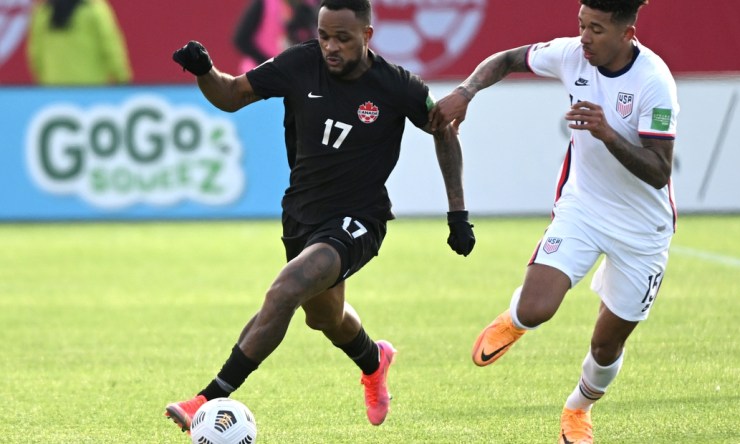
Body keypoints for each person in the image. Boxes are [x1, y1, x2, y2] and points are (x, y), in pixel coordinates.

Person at [165, 0, 476, 433]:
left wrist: (457, 213)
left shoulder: (396, 85)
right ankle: (374, 360)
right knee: (324, 317)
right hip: (301, 213)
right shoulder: (300, 63)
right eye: (324, 35)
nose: (330, 46)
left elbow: (443, 128)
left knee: (286, 289)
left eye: (343, 38)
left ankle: (208, 397)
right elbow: (232, 94)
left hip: (359, 218)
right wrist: (204, 71)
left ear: (367, 37)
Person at [429, 1, 678, 442]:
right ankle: (515, 319)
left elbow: (659, 171)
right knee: (535, 308)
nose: (584, 37)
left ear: (627, 33)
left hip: (643, 231)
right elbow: (506, 59)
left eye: (596, 29)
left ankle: (577, 409)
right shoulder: (571, 55)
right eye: (581, 25)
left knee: (606, 346)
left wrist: (606, 133)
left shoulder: (655, 83)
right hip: (583, 209)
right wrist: (465, 93)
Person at [26, 0, 132, 85]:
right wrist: (122, 78)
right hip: (90, 87)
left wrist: (44, 81)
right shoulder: (94, 8)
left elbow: (35, 54)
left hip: (54, 88)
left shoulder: (43, 12)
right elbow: (110, 47)